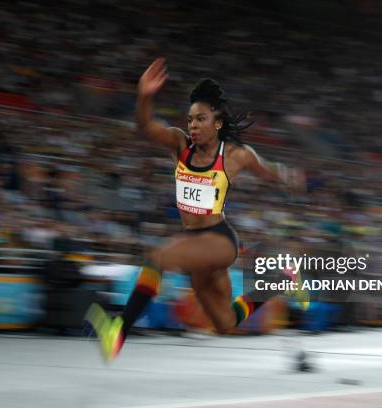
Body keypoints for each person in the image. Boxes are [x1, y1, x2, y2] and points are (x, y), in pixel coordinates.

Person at [86, 58, 305, 362]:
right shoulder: (180, 144)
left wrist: (288, 176)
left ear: (217, 122)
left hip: (219, 241)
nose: (193, 125)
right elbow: (145, 127)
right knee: (225, 324)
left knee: (157, 258)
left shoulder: (235, 156)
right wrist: (145, 96)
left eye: (200, 119)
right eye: (190, 119)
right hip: (196, 249)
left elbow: (268, 171)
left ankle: (118, 331)